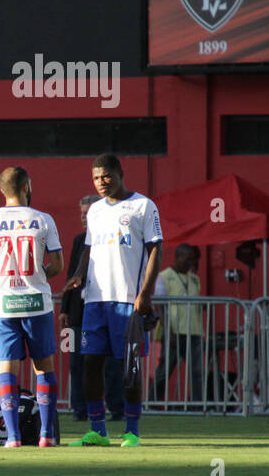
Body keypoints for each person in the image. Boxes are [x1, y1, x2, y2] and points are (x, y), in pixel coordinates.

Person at [65, 153, 163, 447]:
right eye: (96, 178)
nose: (101, 182)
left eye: (106, 176)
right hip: (95, 301)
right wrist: (78, 275)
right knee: (90, 363)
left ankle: (131, 431)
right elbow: (88, 249)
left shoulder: (143, 206)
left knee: (129, 366)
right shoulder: (94, 211)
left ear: (120, 174)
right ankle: (98, 430)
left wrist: (145, 294)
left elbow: (156, 249)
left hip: (127, 300)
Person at [0, 166, 64, 447]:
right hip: (38, 303)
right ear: (28, 186)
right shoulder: (43, 219)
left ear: (1, 189)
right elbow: (58, 264)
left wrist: (4, 278)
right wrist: (35, 277)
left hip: (4, 305)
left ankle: (12, 436)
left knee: (6, 370)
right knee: (44, 368)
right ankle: (46, 435)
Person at [61, 194, 125, 423]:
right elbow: (72, 272)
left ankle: (117, 408)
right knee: (78, 363)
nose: (84, 218)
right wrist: (64, 309)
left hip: (109, 307)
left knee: (111, 363)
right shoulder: (80, 240)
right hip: (80, 312)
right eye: (81, 214)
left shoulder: (113, 239)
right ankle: (81, 409)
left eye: (87, 213)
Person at [149, 244, 205, 407]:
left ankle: (197, 405)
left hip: (193, 331)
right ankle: (152, 403)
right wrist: (168, 330)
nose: (191, 263)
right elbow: (160, 306)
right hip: (174, 331)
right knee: (165, 370)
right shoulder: (164, 276)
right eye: (188, 259)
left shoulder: (194, 278)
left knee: (196, 371)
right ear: (178, 257)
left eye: (192, 260)